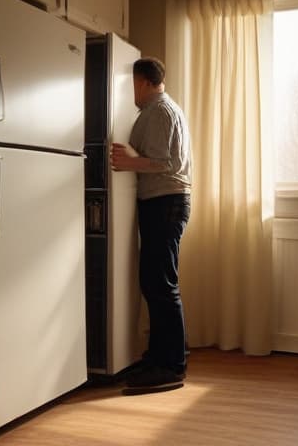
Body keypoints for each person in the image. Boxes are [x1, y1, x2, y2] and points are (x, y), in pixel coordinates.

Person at [110, 57, 192, 390]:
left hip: (166, 203)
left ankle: (172, 365)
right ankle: (160, 357)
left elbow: (165, 162)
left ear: (143, 81)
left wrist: (130, 162)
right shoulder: (156, 112)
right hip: (161, 203)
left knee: (161, 284)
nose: (130, 91)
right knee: (155, 282)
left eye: (131, 84)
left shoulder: (159, 111)